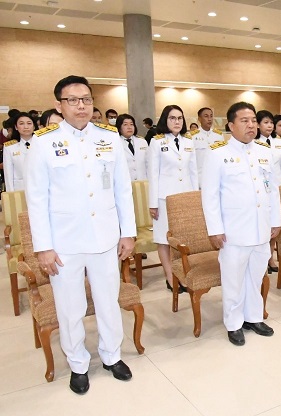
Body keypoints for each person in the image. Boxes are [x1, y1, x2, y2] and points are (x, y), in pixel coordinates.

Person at [25, 75, 136, 394]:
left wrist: (127, 232)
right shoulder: (44, 142)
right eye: (72, 100)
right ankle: (77, 364)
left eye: (86, 99)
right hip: (64, 243)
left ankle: (112, 355)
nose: (81, 106)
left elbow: (122, 189)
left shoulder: (109, 137)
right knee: (70, 307)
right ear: (59, 105)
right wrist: (43, 247)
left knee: (108, 301)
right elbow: (37, 199)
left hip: (105, 238)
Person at [201, 102, 281, 346]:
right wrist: (215, 229)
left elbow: (273, 189)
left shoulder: (265, 152)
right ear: (231, 125)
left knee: (255, 277)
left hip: (261, 228)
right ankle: (234, 323)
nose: (251, 125)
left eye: (254, 120)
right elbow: (210, 196)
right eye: (245, 121)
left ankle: (253, 317)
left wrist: (276, 220)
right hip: (233, 231)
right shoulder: (217, 154)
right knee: (233, 280)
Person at [148, 105, 199, 292]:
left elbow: (193, 172)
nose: (177, 122)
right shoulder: (157, 142)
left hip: (184, 197)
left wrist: (195, 198)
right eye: (172, 118)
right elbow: (153, 174)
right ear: (165, 120)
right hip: (164, 198)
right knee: (163, 239)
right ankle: (170, 277)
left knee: (181, 238)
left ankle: (181, 274)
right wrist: (153, 203)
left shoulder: (189, 141)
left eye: (179, 118)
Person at [256, 110, 281, 273]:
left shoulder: (278, 141)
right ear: (258, 125)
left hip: (277, 188)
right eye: (265, 122)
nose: (269, 126)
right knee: (263, 224)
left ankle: (270, 257)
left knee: (275, 224)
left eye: (271, 123)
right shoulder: (254, 143)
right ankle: (262, 259)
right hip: (262, 190)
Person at [191, 107, 224, 187]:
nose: (209, 119)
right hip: (200, 180)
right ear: (199, 119)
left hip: (217, 179)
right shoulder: (192, 137)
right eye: (206, 116)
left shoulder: (219, 135)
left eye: (211, 116)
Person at [3, 112, 35, 191]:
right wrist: (11, 194)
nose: (26, 127)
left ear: (34, 126)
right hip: (20, 190)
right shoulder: (9, 148)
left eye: (29, 123)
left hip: (41, 189)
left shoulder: (42, 145)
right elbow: (8, 174)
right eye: (21, 123)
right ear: (16, 127)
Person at [116, 114, 148, 181]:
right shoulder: (115, 143)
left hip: (142, 181)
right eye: (125, 124)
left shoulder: (142, 141)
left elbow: (148, 163)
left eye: (131, 124)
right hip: (124, 182)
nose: (129, 127)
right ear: (119, 127)